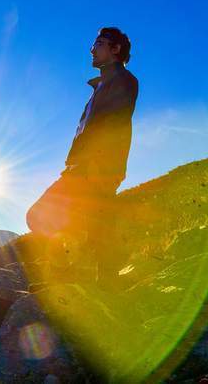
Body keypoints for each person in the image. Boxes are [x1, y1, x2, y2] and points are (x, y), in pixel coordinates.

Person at [26, 27, 138, 285]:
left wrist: (93, 165)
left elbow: (112, 126)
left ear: (115, 49)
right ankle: (75, 276)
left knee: (53, 218)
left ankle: (84, 280)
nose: (92, 48)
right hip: (80, 167)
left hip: (96, 167)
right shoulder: (99, 87)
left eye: (99, 43)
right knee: (70, 223)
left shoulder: (123, 81)